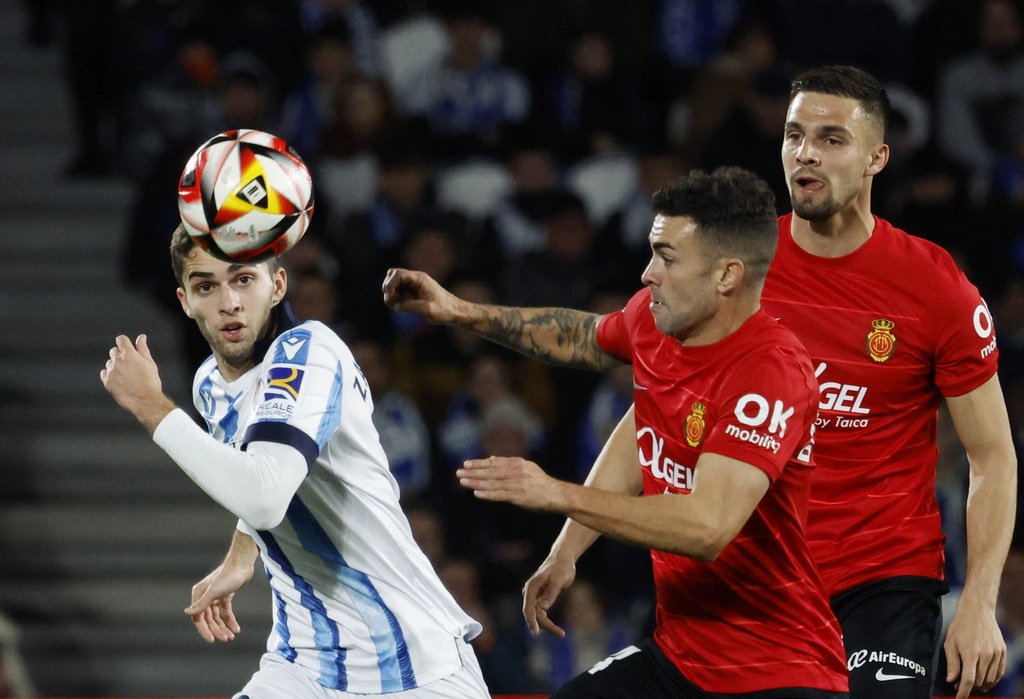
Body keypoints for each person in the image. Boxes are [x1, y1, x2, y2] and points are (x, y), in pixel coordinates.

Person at [383, 64, 1020, 699]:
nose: (806, 153)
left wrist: (979, 600)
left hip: (877, 584)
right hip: (746, 591)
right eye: (795, 135)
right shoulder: (731, 268)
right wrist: (570, 545)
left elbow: (992, 455)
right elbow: (643, 397)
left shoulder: (933, 288)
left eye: (831, 139)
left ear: (877, 157)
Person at [385, 167, 849, 696]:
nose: (648, 274)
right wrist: (459, 311)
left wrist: (557, 493)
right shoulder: (659, 325)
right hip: (681, 657)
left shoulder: (770, 372)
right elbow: (590, 351)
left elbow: (707, 527)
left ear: (727, 276)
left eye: (667, 257)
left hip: (777, 668)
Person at [100, 224, 489, 699]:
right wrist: (241, 553)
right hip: (304, 663)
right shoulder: (209, 384)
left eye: (244, 279)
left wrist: (151, 406)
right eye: (206, 286)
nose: (229, 302)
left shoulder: (310, 351)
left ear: (278, 285)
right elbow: (269, 470)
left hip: (413, 663)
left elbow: (264, 497)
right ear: (185, 301)